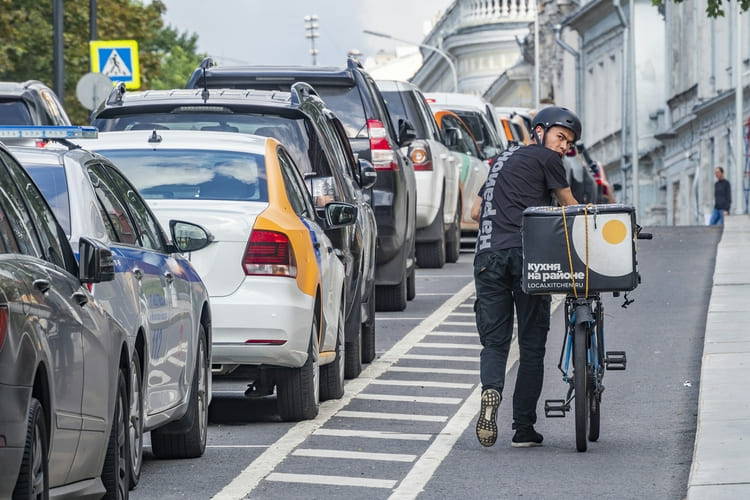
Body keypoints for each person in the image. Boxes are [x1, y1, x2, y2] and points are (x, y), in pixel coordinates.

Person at [470, 106, 581, 448]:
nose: (564, 147)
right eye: (560, 137)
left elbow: (473, 212)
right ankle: (523, 428)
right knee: (532, 346)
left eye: (569, 143)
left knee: (495, 342)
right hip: (527, 257)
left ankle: (491, 391)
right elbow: (569, 205)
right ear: (539, 131)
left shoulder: (502, 159)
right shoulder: (547, 160)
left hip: (487, 257)